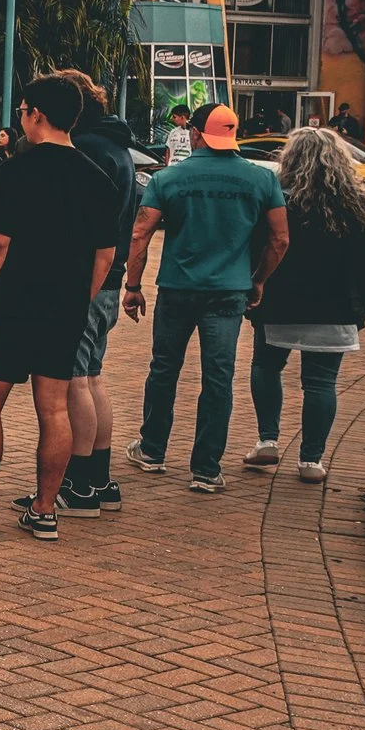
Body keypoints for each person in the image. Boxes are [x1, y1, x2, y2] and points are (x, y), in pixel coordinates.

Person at [0, 75, 119, 541]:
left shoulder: (18, 169)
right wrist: (81, 297)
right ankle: (43, 511)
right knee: (54, 409)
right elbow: (106, 254)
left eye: (21, 111)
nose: (20, 119)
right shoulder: (98, 177)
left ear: (36, 113)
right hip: (66, 308)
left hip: (12, 304)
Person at [122, 104, 289, 493]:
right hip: (229, 291)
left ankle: (152, 450)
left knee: (164, 369)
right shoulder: (261, 180)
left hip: (178, 288)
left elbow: (139, 235)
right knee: (219, 377)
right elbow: (280, 239)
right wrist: (259, 279)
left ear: (195, 134)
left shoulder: (169, 178)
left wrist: (133, 286)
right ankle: (206, 468)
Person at [245, 130, 365, 485]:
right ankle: (311, 460)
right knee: (321, 382)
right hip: (334, 309)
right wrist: (360, 307)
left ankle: (268, 439)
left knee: (266, 365)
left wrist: (254, 286)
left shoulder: (280, 202)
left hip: (279, 302)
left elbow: (261, 247)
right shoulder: (355, 207)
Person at [58, 69, 138, 519]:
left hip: (88, 277)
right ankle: (100, 479)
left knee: (74, 379)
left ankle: (79, 483)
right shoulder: (117, 148)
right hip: (109, 277)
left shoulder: (86, 149)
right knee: (91, 376)